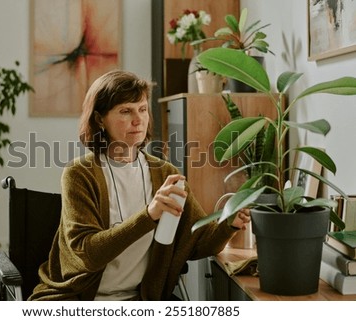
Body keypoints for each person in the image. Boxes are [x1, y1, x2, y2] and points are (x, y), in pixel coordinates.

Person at [29, 70, 250, 301]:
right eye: (125, 111)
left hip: (139, 301)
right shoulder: (79, 174)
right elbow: (88, 254)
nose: (138, 120)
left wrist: (228, 224)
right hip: (79, 299)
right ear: (99, 119)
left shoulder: (165, 173)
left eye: (142, 109)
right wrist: (148, 216)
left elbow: (198, 242)